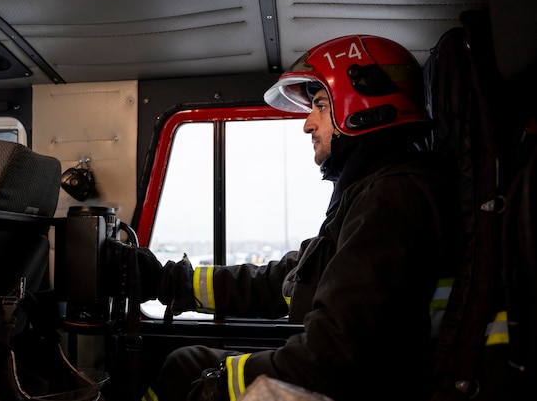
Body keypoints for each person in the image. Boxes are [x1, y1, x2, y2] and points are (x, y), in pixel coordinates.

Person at [136, 35, 464, 401]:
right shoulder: (372, 193)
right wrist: (167, 281)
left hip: (365, 387)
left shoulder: (392, 198)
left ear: (364, 104)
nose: (308, 124)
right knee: (187, 363)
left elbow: (333, 353)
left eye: (320, 105)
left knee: (187, 374)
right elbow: (288, 281)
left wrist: (221, 385)